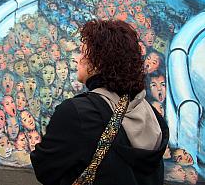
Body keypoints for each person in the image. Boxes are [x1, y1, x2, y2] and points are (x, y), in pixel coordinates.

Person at [31, 19, 169, 185]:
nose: (78, 58)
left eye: (83, 52)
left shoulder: (78, 113)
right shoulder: (151, 115)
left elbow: (45, 168)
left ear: (99, 60)